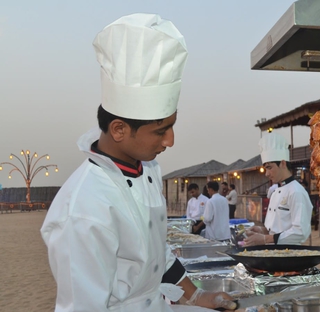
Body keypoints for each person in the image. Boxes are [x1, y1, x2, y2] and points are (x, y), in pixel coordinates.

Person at [40, 14, 236, 312]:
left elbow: (158, 256)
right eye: (160, 130)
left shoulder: (148, 170)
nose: (170, 140)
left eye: (171, 126)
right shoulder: (84, 210)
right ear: (119, 130)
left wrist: (196, 297)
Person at [244, 132, 312, 247]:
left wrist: (265, 239)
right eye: (265, 169)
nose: (266, 174)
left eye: (269, 168)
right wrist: (261, 231)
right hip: (272, 253)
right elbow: (277, 229)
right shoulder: (276, 191)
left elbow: (300, 232)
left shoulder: (296, 192)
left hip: (288, 255)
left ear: (283, 163)